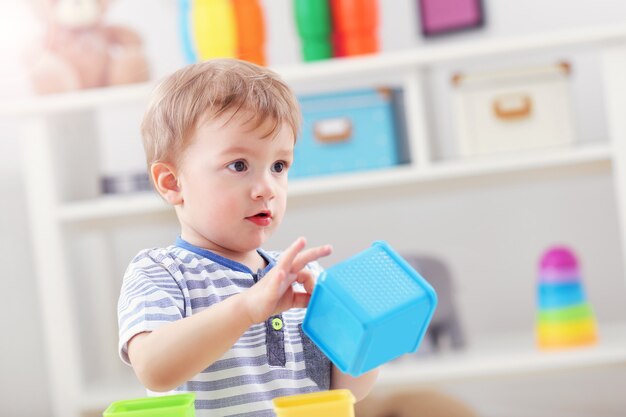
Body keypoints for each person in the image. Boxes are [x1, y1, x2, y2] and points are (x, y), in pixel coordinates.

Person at [117, 58, 379, 416]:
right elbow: (153, 369)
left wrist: (364, 335)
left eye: (279, 166)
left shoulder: (303, 277)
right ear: (172, 182)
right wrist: (247, 308)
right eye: (239, 165)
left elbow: (348, 390)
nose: (266, 188)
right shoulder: (161, 272)